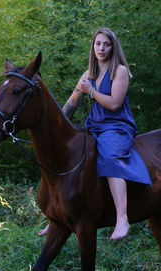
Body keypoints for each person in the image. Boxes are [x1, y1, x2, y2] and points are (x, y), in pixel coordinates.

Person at [38, 27, 152, 239]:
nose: (101, 48)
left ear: (113, 47)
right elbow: (71, 104)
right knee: (69, 158)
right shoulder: (88, 74)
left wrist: (89, 90)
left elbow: (114, 103)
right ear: (93, 46)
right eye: (98, 43)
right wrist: (54, 129)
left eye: (106, 44)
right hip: (94, 126)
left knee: (110, 156)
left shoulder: (120, 71)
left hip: (117, 126)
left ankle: (122, 218)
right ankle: (57, 218)